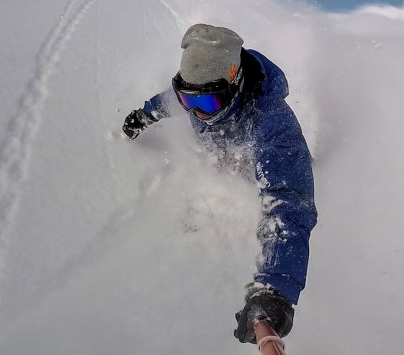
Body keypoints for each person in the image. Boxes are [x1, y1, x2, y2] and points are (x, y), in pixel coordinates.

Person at [122, 24, 317, 344]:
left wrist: (274, 290)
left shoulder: (272, 123)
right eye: (188, 101)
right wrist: (144, 116)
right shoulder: (196, 93)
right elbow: (169, 101)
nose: (197, 112)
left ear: (235, 85)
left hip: (268, 170)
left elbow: (288, 204)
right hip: (224, 158)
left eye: (209, 103)